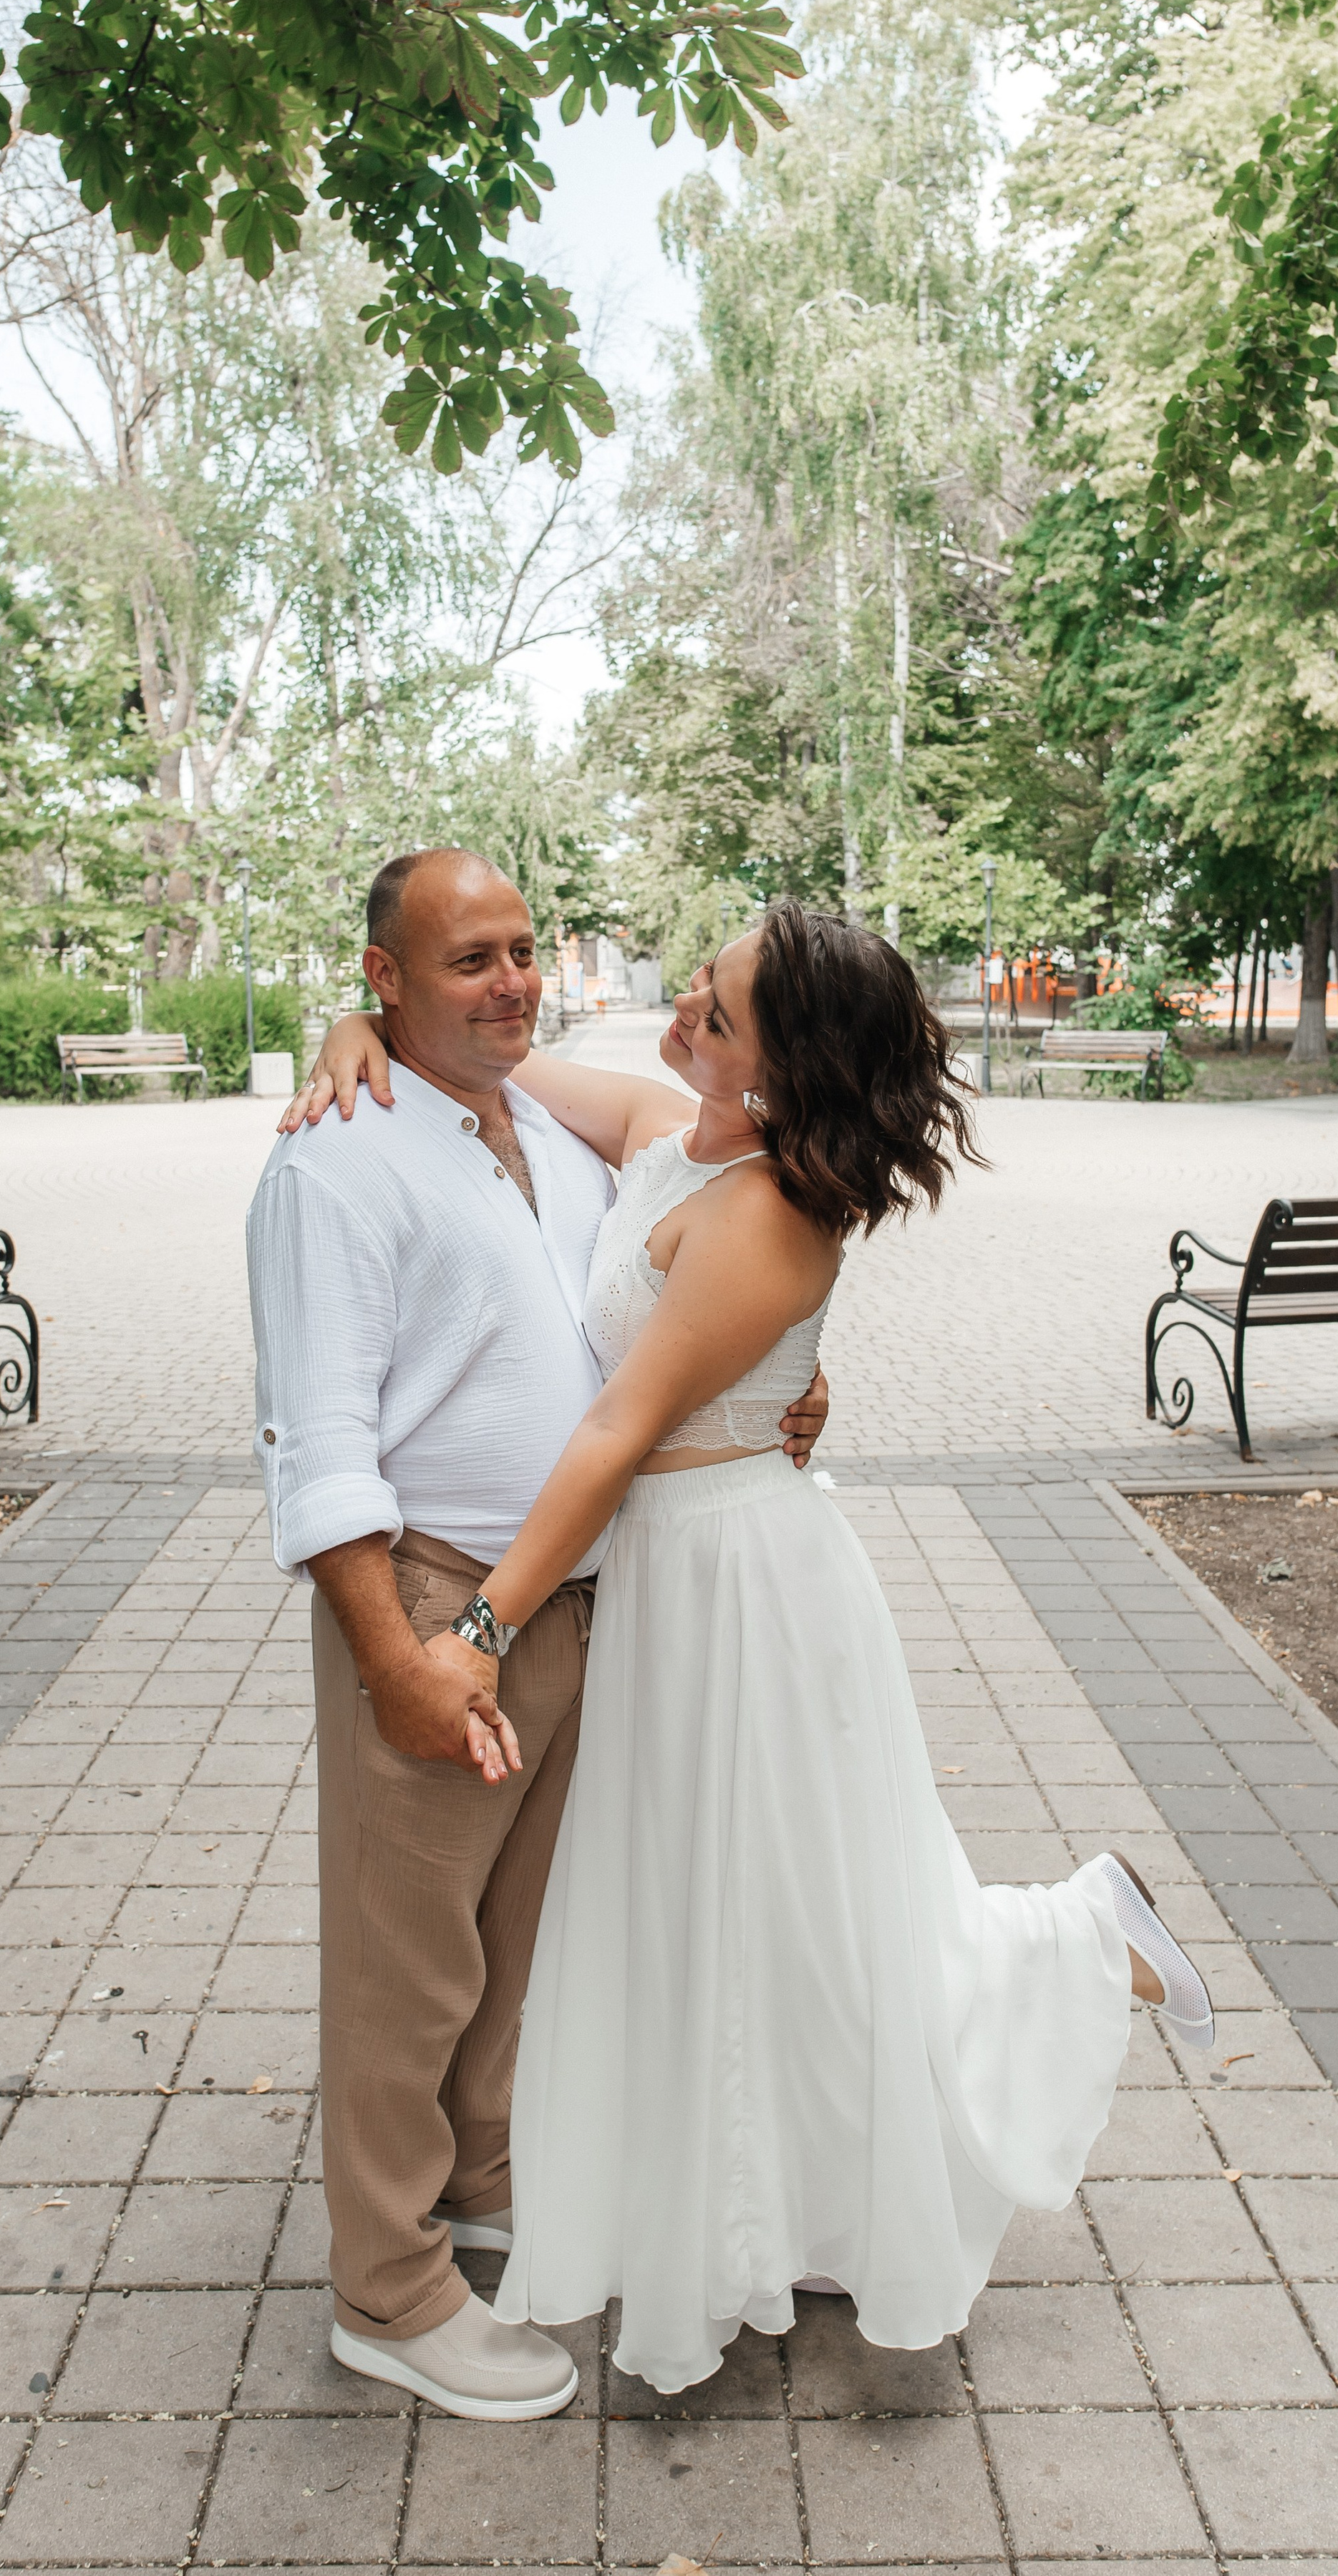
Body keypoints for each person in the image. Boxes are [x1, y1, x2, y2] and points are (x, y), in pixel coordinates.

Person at [295, 898, 1215, 2396]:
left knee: (813, 1908)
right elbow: (494, 1075)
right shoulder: (678, 1125)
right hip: (674, 1575)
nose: (676, 1023)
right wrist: (358, 1027)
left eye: (713, 1013)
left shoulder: (773, 1206)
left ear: (781, 1065)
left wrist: (473, 1627)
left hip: (742, 1587)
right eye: (694, 990)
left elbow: (614, 1428)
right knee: (746, 1915)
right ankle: (786, 2194)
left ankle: (1081, 1946)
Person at [245, 849, 829, 2424]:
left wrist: (775, 1379)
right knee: (404, 1958)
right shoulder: (337, 1162)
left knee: (511, 1943)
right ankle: (387, 2286)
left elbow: (657, 1294)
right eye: (464, 962)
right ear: (382, 981)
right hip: (440, 1598)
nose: (508, 982)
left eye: (520, 950)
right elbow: (319, 1448)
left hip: (575, 1598)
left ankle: (478, 2183)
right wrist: (400, 1658)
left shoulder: (548, 1137)